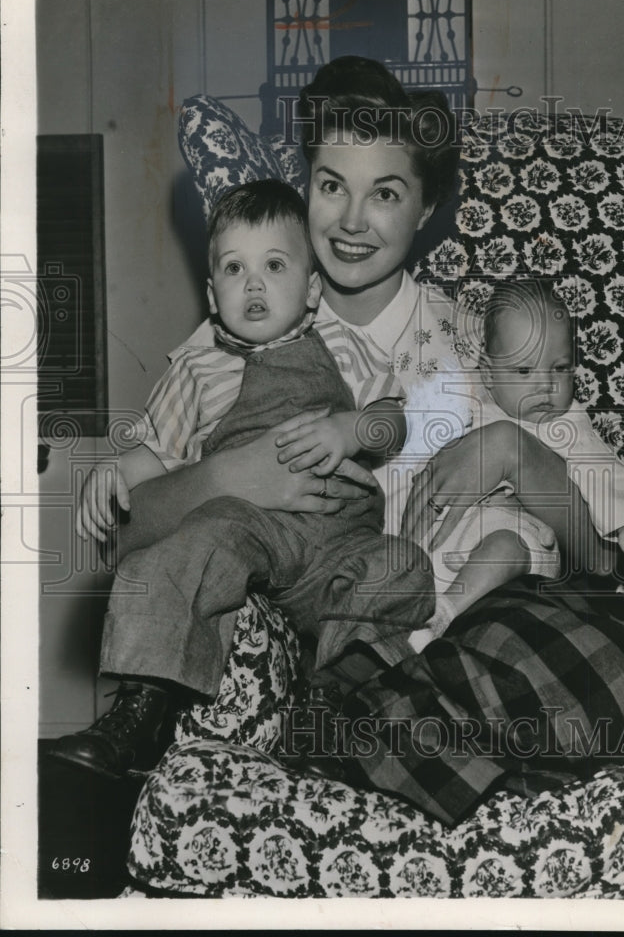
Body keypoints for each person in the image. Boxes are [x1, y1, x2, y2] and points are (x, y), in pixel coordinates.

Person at [73, 56, 624, 825]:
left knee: (527, 641)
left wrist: (518, 452)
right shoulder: (238, 338)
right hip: (348, 628)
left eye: (385, 193)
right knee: (414, 692)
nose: (352, 220)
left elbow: (604, 558)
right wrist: (231, 476)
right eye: (331, 184)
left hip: (480, 600)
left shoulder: (466, 338)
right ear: (303, 182)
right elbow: (125, 541)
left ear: (426, 210)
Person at [50, 178, 434, 778]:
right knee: (195, 543)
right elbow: (154, 456)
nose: (253, 284)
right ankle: (144, 707)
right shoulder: (197, 371)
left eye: (274, 265)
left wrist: (350, 431)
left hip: (339, 537)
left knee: (401, 564)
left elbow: (394, 421)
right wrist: (111, 471)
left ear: (311, 290)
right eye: (234, 268)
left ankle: (339, 704)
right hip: (250, 527)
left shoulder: (342, 343)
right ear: (212, 292)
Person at [408, 277, 624, 651]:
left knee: (505, 546)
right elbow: (428, 451)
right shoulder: (468, 403)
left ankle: (443, 616)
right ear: (489, 372)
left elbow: (602, 472)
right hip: (449, 542)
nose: (546, 385)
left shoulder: (568, 424)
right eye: (525, 371)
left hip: (524, 548)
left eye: (559, 369)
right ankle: (411, 619)